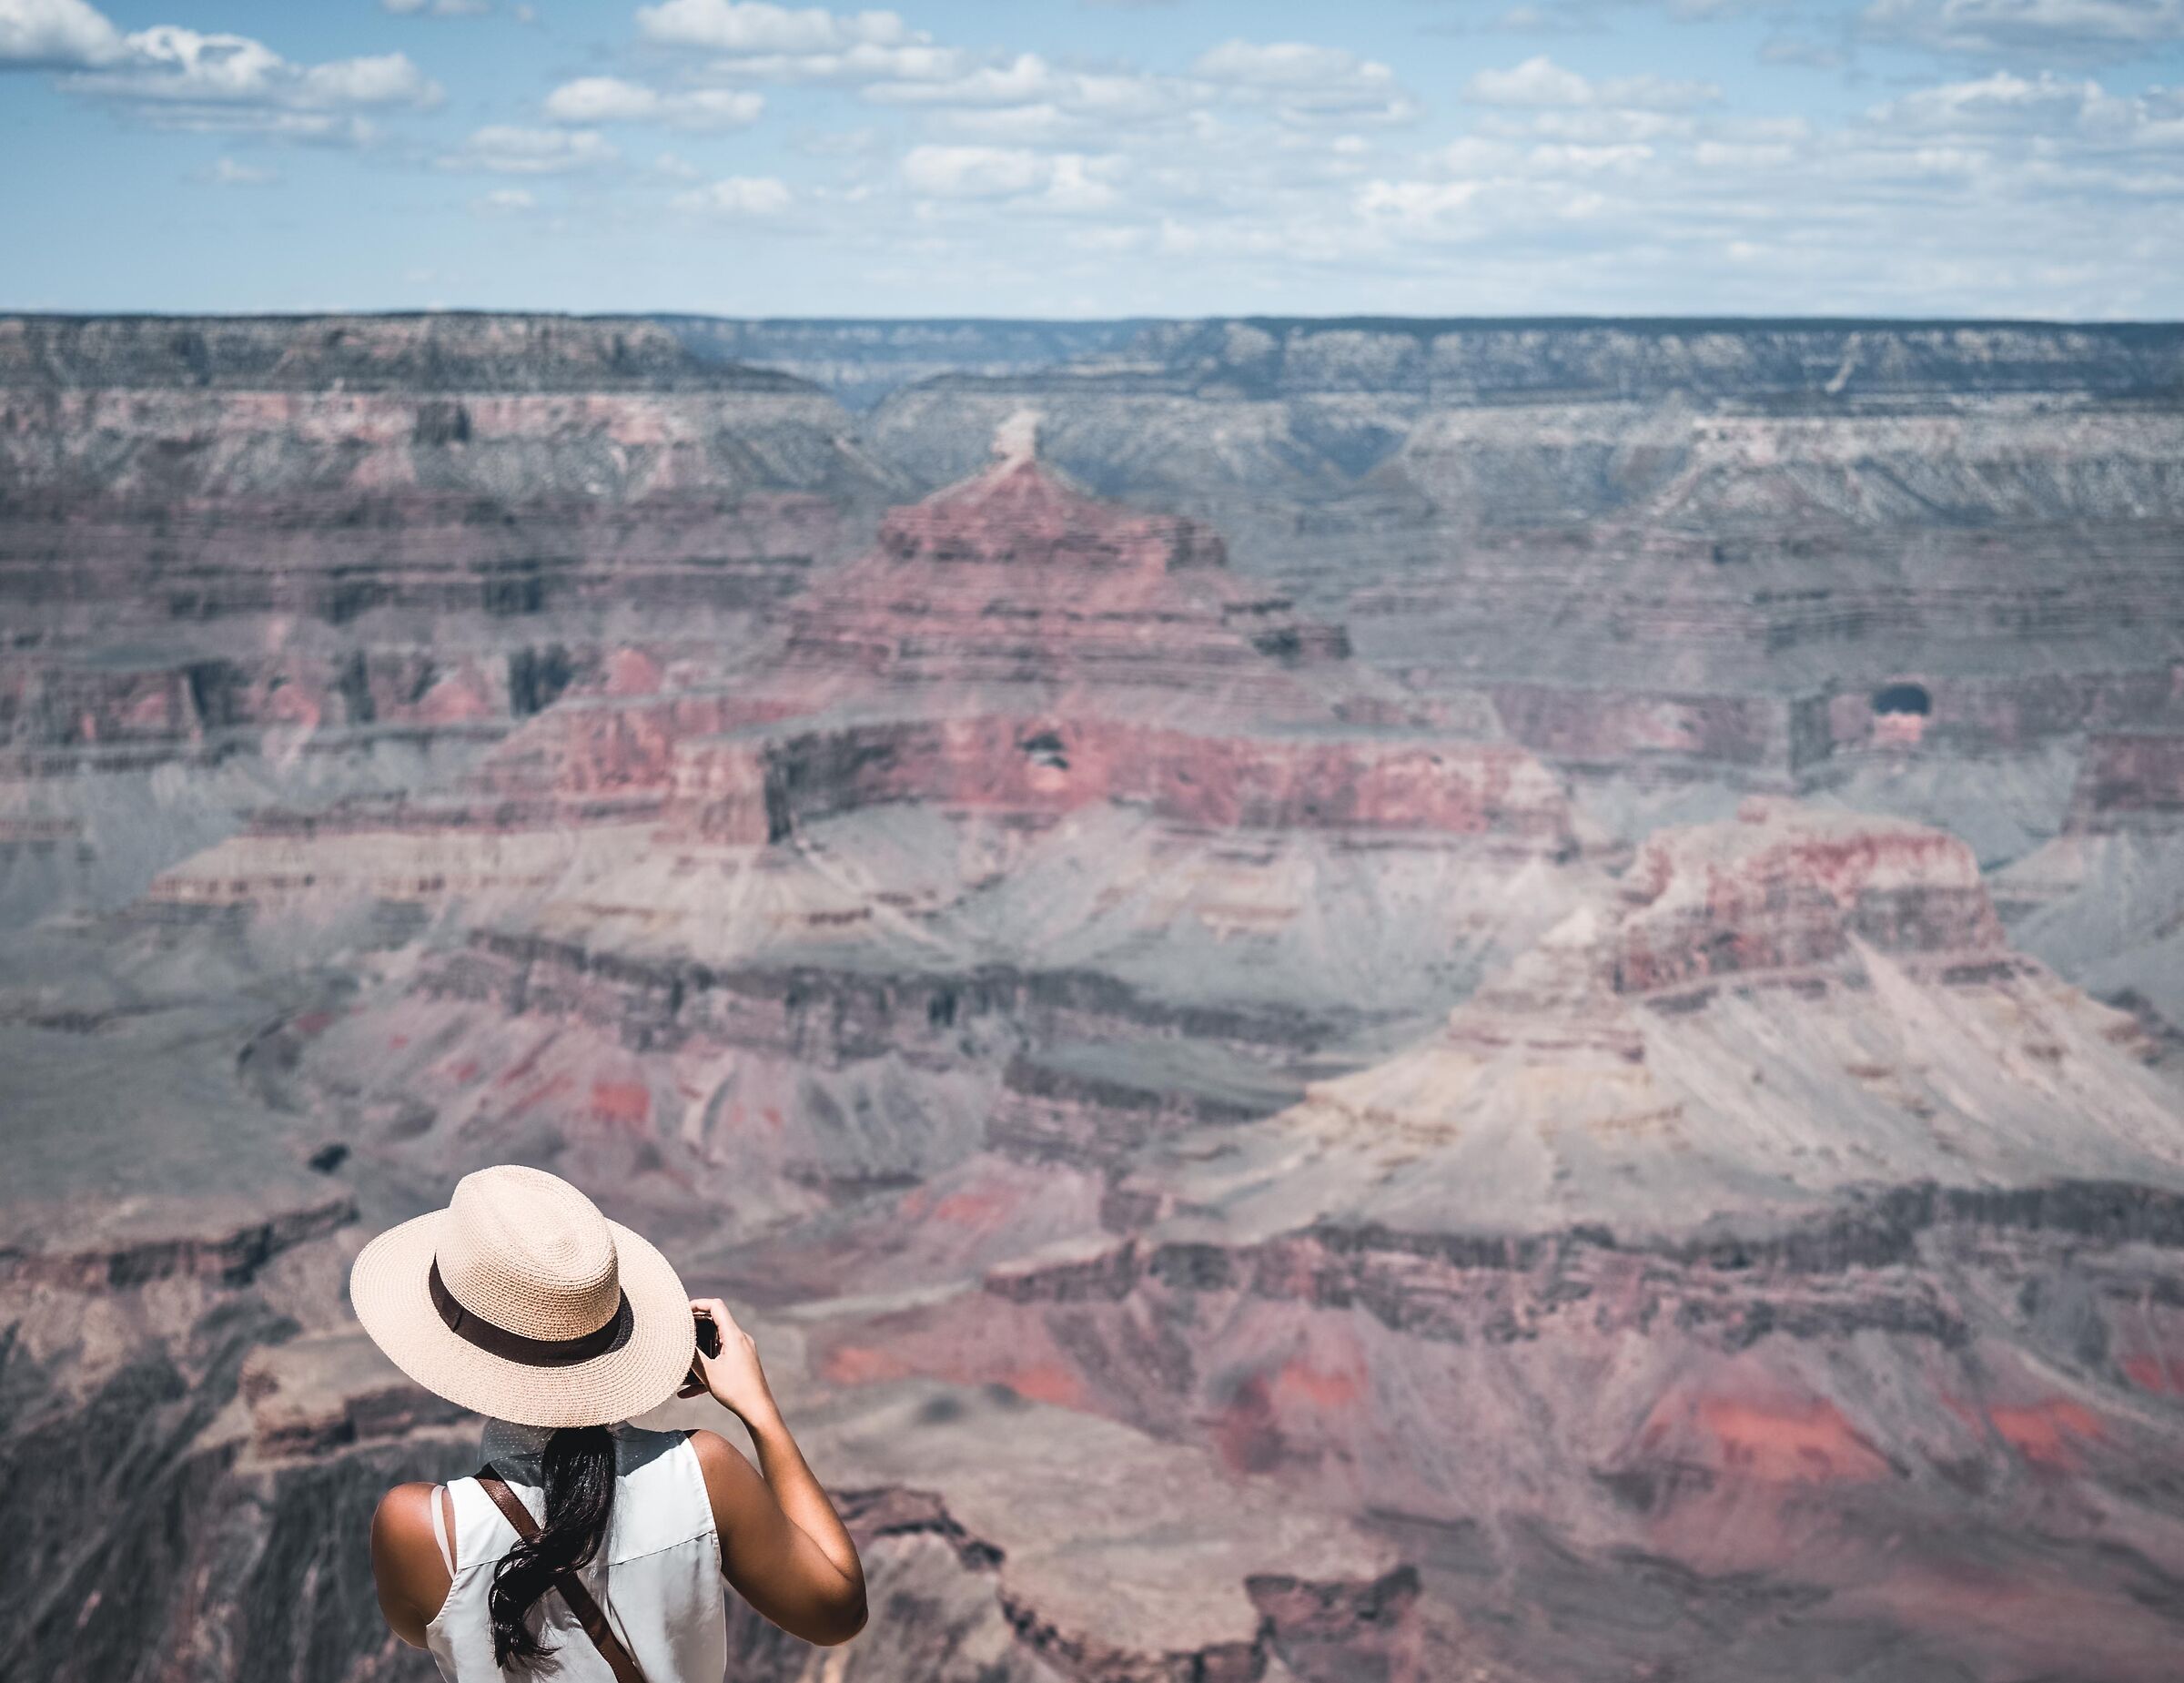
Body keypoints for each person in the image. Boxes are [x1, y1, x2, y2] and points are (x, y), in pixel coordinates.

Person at [351, 1164, 866, 1679]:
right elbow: (838, 1612)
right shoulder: (706, 1475)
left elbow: (420, 1627)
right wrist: (760, 1412)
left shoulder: (418, 1528)